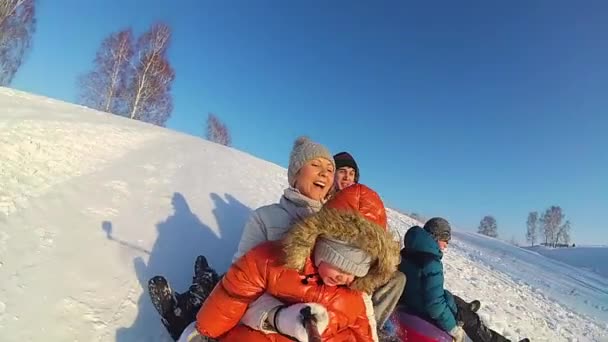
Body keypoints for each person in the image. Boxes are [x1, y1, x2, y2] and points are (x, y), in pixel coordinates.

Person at [149, 136, 336, 340]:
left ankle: (200, 288)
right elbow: (239, 281)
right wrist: (281, 318)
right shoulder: (265, 218)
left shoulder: (335, 225)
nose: (324, 173)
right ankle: (186, 315)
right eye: (315, 164)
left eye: (330, 169)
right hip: (266, 324)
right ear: (295, 175)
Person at [193, 184, 401, 341]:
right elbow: (235, 293)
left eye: (355, 272)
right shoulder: (273, 261)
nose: (345, 277)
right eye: (340, 265)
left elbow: (363, 334)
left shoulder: (356, 297)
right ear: (319, 246)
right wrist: (208, 329)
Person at [397, 218, 529, 342]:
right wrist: (452, 328)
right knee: (472, 320)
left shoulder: (407, 252)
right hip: (423, 308)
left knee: (452, 298)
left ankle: (465, 306)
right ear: (435, 237)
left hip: (412, 300)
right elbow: (435, 305)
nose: (446, 245)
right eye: (445, 240)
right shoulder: (431, 261)